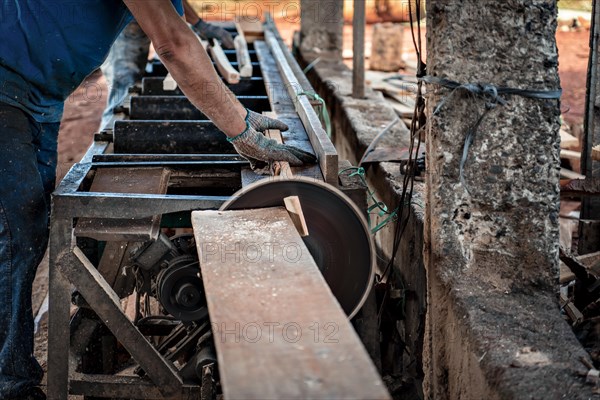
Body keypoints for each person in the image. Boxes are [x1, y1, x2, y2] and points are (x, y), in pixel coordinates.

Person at [0, 1, 316, 399]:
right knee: (15, 236)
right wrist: (240, 129)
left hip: (37, 97)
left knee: (23, 231)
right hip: (7, 85)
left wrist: (200, 30)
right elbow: (171, 44)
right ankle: (10, 384)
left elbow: (171, 18)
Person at [100, 0, 235, 130]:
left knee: (132, 79)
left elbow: (172, 5)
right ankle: (109, 134)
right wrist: (199, 25)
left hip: (139, 15)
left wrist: (196, 25)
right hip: (120, 18)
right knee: (123, 84)